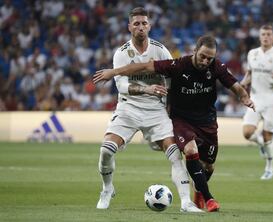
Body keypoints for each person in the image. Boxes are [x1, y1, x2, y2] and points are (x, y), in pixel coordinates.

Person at [93, 35, 255, 212]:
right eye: (202, 56)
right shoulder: (178, 65)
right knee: (189, 151)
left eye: (210, 58)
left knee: (208, 166)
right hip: (181, 119)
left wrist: (245, 97)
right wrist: (113, 72)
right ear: (195, 51)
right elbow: (145, 66)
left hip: (206, 121)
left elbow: (235, 85)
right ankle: (202, 200)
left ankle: (198, 192)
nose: (205, 61)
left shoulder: (216, 67)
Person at [95, 7, 202, 213]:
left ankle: (186, 202)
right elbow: (122, 86)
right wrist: (147, 88)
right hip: (128, 108)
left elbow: (172, 79)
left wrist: (171, 107)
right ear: (129, 27)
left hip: (156, 110)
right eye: (136, 23)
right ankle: (107, 189)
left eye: (144, 23)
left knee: (174, 155)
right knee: (106, 150)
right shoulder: (122, 53)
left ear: (149, 26)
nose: (141, 27)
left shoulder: (160, 50)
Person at [240, 24, 273, 180]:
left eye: (269, 34)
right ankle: (261, 144)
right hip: (255, 99)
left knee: (268, 135)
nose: (266, 37)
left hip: (271, 100)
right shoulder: (252, 54)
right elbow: (250, 73)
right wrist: (242, 84)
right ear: (259, 36)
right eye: (263, 34)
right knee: (247, 133)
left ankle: (269, 167)